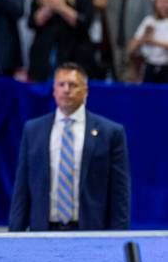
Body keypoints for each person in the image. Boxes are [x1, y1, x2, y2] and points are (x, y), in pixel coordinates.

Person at [9, 62, 131, 231]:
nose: (66, 89)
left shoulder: (111, 133)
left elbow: (120, 193)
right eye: (61, 84)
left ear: (85, 91)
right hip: (43, 232)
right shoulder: (33, 130)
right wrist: (15, 235)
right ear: (54, 90)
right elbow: (21, 189)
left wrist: (118, 237)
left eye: (73, 85)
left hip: (90, 233)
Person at [28, 0, 96, 82]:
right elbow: (32, 23)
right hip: (45, 52)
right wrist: (48, 8)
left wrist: (60, 7)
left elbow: (84, 23)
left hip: (74, 52)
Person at [128, 0, 168, 83]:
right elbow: (131, 48)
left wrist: (153, 41)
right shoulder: (149, 21)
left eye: (166, 1)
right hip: (149, 67)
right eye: (160, 1)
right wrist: (144, 37)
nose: (163, 5)